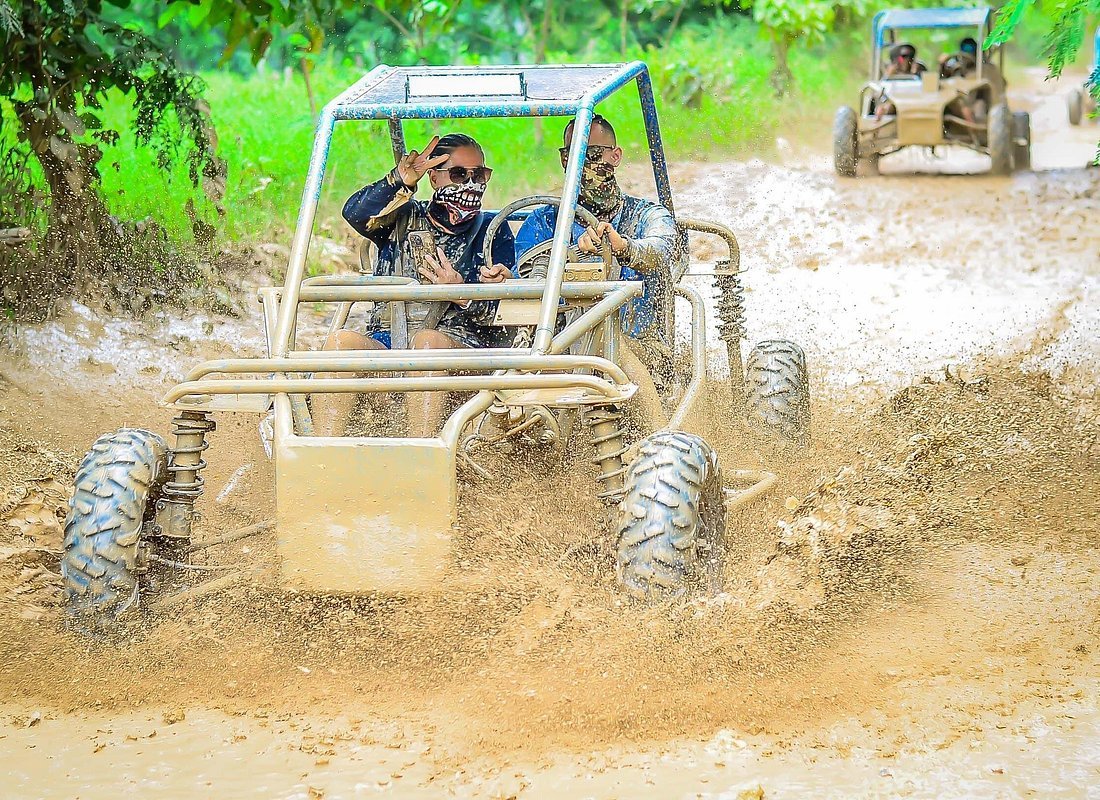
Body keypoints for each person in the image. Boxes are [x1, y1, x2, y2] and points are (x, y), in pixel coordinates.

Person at [315, 133, 515, 437]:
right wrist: (399, 180)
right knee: (339, 343)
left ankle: (420, 452)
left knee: (426, 344)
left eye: (479, 175)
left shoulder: (492, 231)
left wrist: (462, 292)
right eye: (460, 174)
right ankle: (320, 455)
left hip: (457, 346)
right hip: (388, 341)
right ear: (434, 178)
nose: (471, 184)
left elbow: (502, 322)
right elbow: (354, 214)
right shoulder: (402, 218)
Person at [512, 114, 681, 430]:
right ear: (565, 159)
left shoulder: (645, 216)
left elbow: (664, 250)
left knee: (605, 338)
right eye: (575, 155)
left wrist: (622, 247)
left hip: (641, 350)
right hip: (554, 350)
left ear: (615, 156)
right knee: (519, 366)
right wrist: (571, 254)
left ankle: (660, 437)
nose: (584, 164)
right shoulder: (543, 222)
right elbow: (528, 281)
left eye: (592, 154)